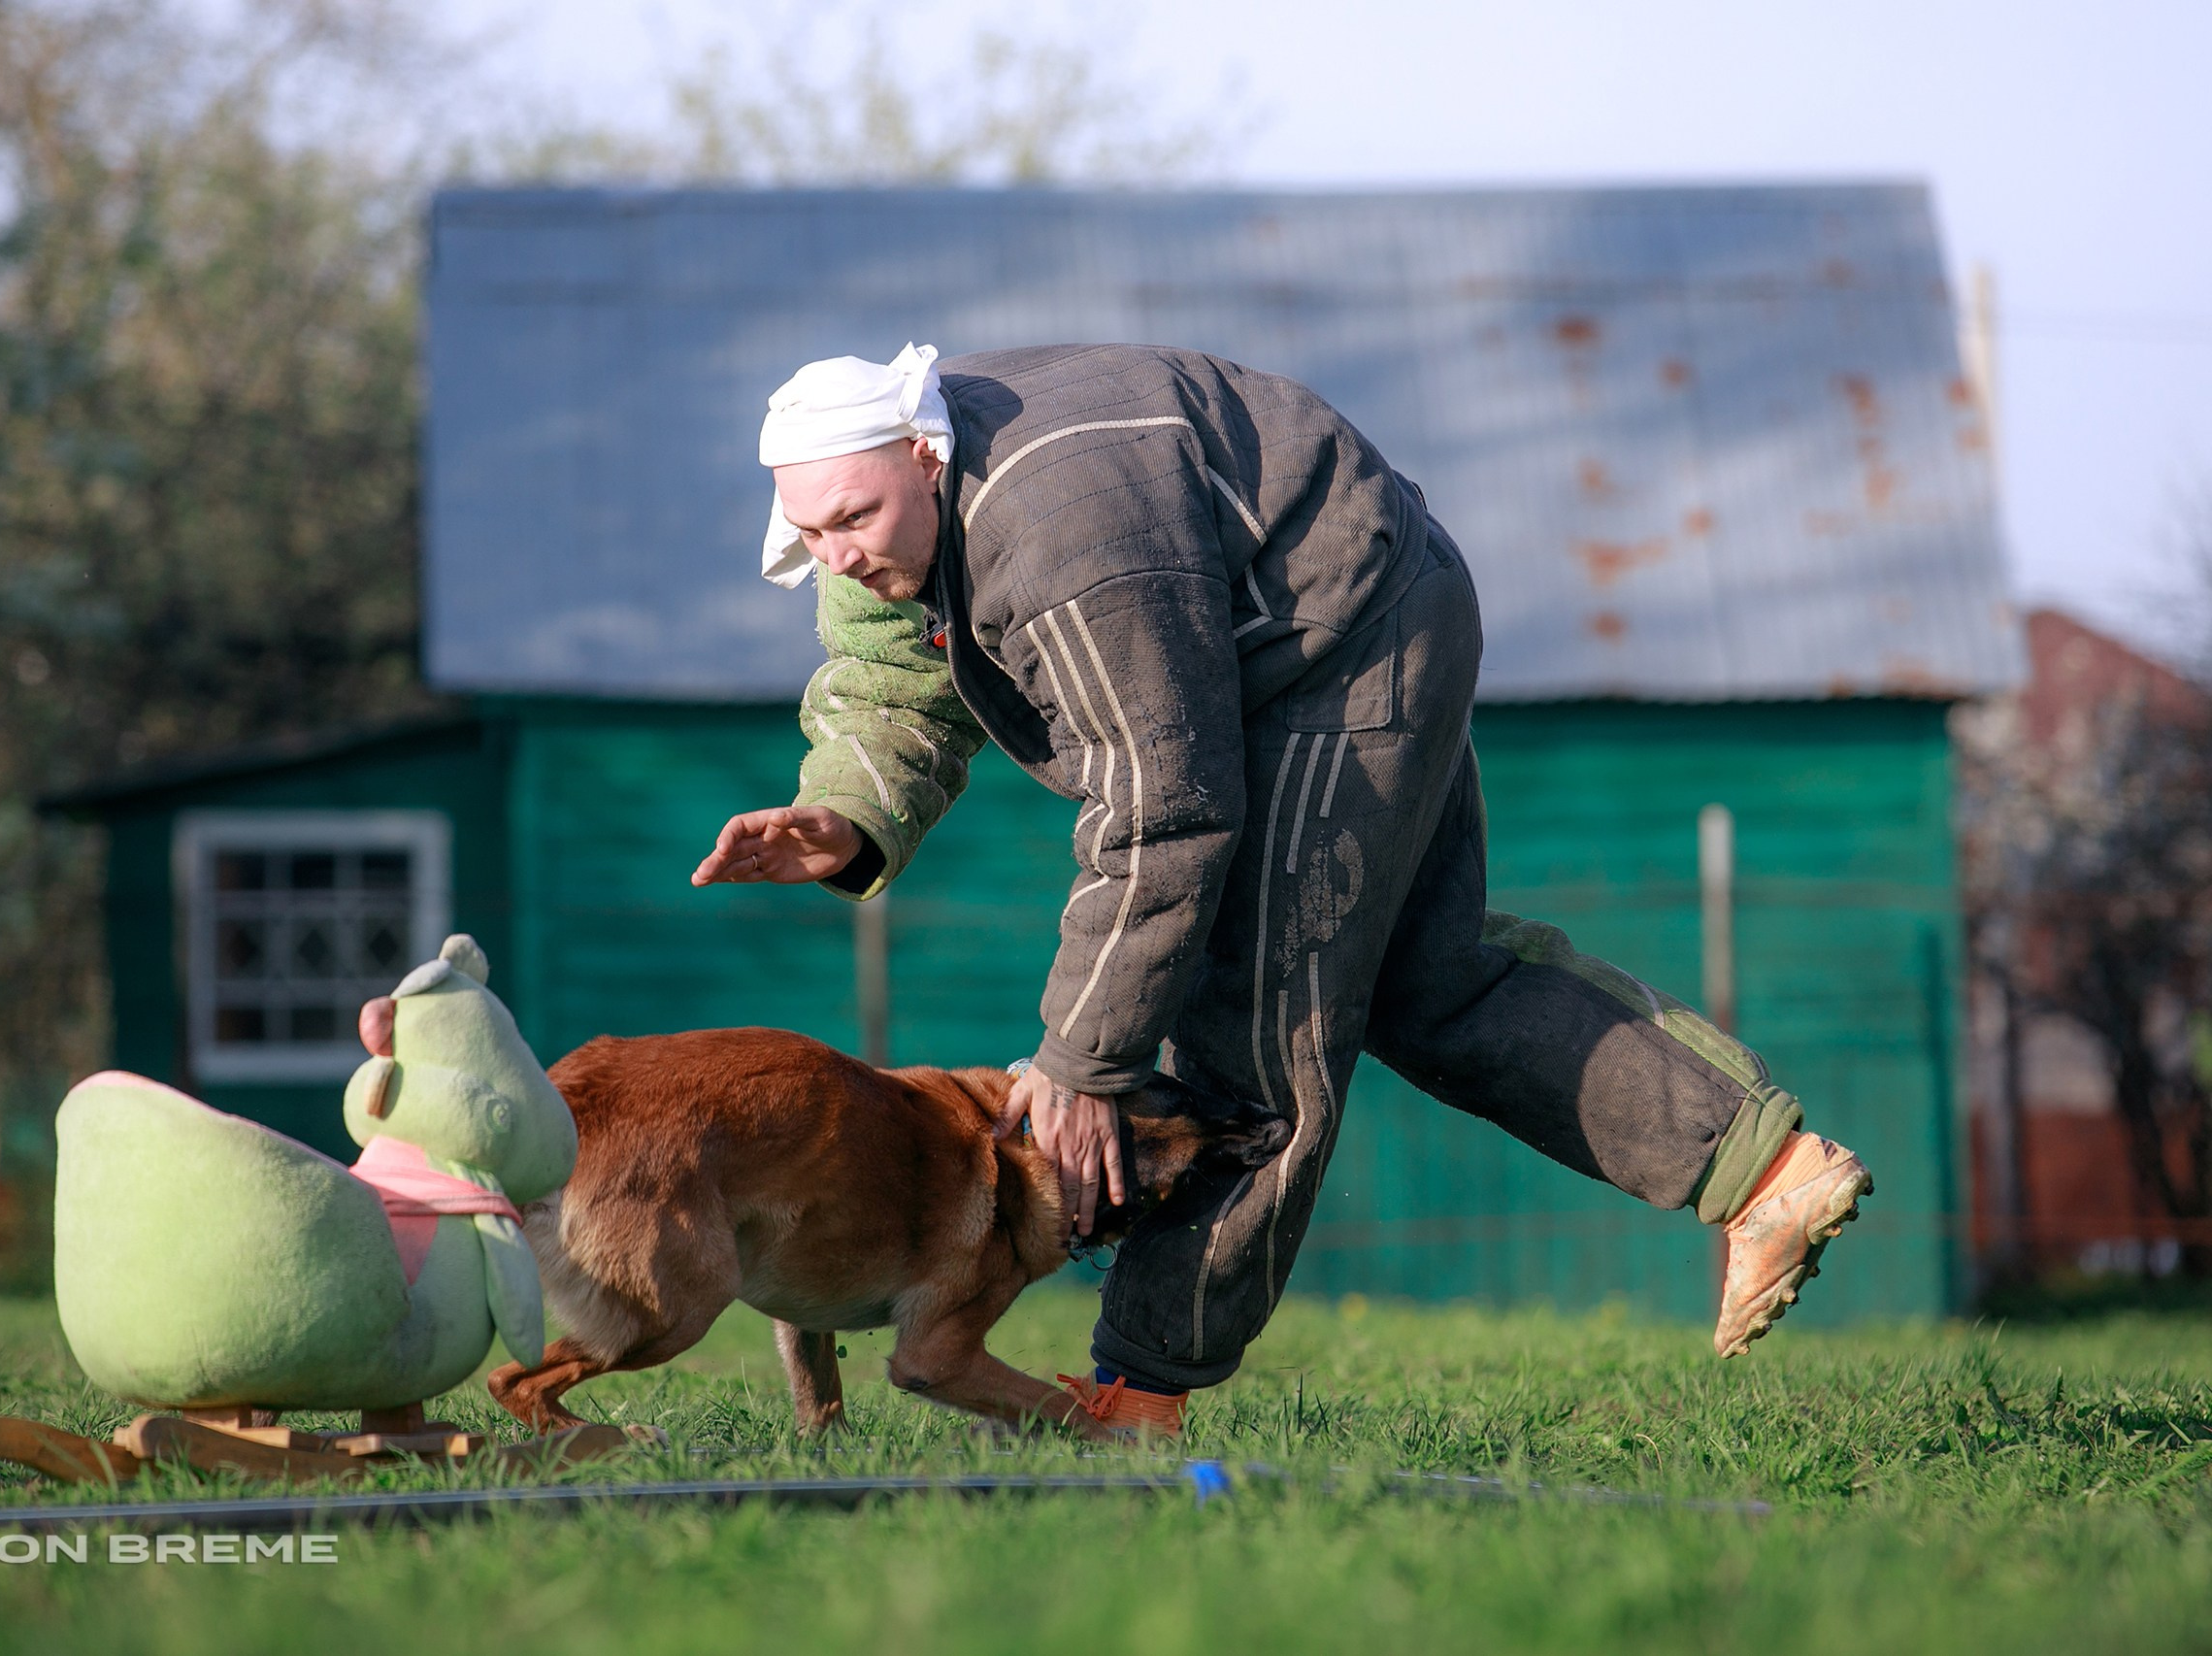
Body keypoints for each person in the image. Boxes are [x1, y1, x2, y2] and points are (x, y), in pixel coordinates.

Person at [691, 342, 1872, 1439]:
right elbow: (890, 675)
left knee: (1258, 1013)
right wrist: (845, 813)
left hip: (1341, 642)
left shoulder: (1063, 534)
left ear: (922, 453)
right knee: (1427, 979)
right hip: (1286, 641)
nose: (837, 551)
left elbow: (1162, 810)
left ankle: (1134, 1398)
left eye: (854, 518)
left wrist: (1081, 1059)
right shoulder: (870, 520)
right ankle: (1763, 1169)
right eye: (809, 531)